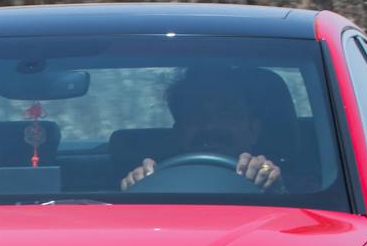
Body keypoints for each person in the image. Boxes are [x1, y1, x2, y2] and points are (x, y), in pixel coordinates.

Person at [119, 66, 288, 191]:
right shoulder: (153, 182)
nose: (210, 125)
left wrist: (272, 182)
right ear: (179, 132)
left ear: (254, 129)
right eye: (195, 114)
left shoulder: (306, 189)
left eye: (226, 113)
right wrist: (139, 187)